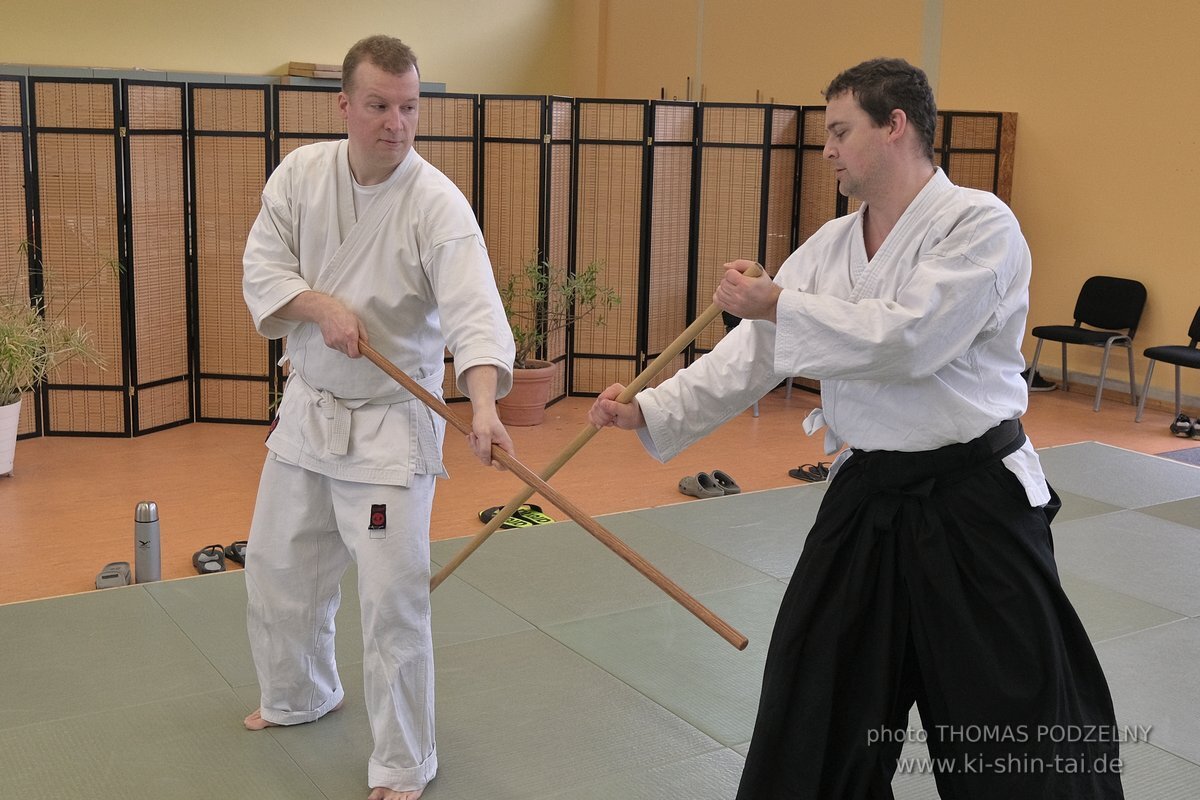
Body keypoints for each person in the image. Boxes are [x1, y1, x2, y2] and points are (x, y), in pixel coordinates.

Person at [589, 58, 1124, 799]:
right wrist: (650, 408)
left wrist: (779, 302)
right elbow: (755, 353)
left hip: (975, 504)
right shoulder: (832, 245)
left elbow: (910, 340)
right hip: (867, 496)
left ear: (895, 126)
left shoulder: (980, 225)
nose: (828, 149)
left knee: (1011, 716)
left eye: (841, 131)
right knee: (815, 701)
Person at [241, 35, 515, 800]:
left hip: (391, 429)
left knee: (391, 596)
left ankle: (402, 761)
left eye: (409, 107)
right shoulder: (300, 175)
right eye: (379, 106)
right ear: (345, 106)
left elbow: (476, 319)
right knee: (274, 563)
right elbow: (262, 269)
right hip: (309, 413)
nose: (397, 123)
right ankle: (299, 694)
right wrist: (318, 305)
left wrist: (485, 405)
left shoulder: (437, 203)